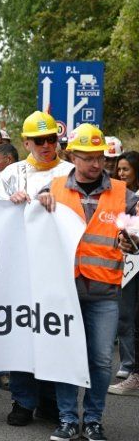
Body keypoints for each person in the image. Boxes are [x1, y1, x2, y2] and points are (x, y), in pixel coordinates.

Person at [37, 123, 138, 441]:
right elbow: (28, 219)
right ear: (73, 157)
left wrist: (133, 241)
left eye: (100, 157)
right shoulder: (53, 188)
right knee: (67, 356)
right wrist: (31, 201)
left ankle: (93, 420)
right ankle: (68, 419)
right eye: (88, 157)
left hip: (105, 292)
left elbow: (136, 231)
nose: (96, 163)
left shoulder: (122, 193)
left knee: (101, 360)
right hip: (64, 291)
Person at [0, 111, 74, 426]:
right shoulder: (11, 174)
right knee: (24, 335)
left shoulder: (70, 172)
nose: (46, 145)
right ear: (26, 142)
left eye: (51, 139)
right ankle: (23, 401)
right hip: (21, 267)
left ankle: (50, 401)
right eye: (39, 140)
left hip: (58, 268)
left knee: (54, 334)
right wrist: (9, 203)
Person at [109, 150, 139, 392]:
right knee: (126, 314)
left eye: (126, 169)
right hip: (124, 260)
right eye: (119, 169)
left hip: (135, 260)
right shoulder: (116, 195)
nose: (121, 173)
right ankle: (130, 365)